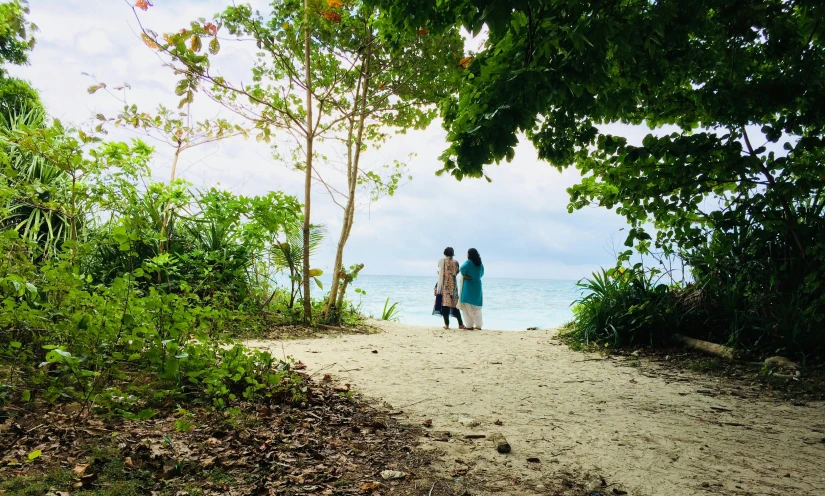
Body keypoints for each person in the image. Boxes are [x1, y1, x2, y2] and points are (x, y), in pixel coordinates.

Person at [434, 247, 466, 329]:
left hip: (444, 286)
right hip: (453, 286)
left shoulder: (441, 261)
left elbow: (440, 272)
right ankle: (461, 324)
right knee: (454, 305)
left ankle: (447, 325)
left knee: (445, 305)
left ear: (444, 253)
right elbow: (456, 272)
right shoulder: (456, 262)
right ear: (453, 253)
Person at [458, 248, 484, 330]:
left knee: (467, 306)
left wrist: (465, 275)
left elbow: (462, 269)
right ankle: (479, 325)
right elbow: (482, 273)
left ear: (469, 254)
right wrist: (475, 277)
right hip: (477, 285)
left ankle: (469, 325)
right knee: (476, 307)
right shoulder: (480, 263)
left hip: (469, 286)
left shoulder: (469, 262)